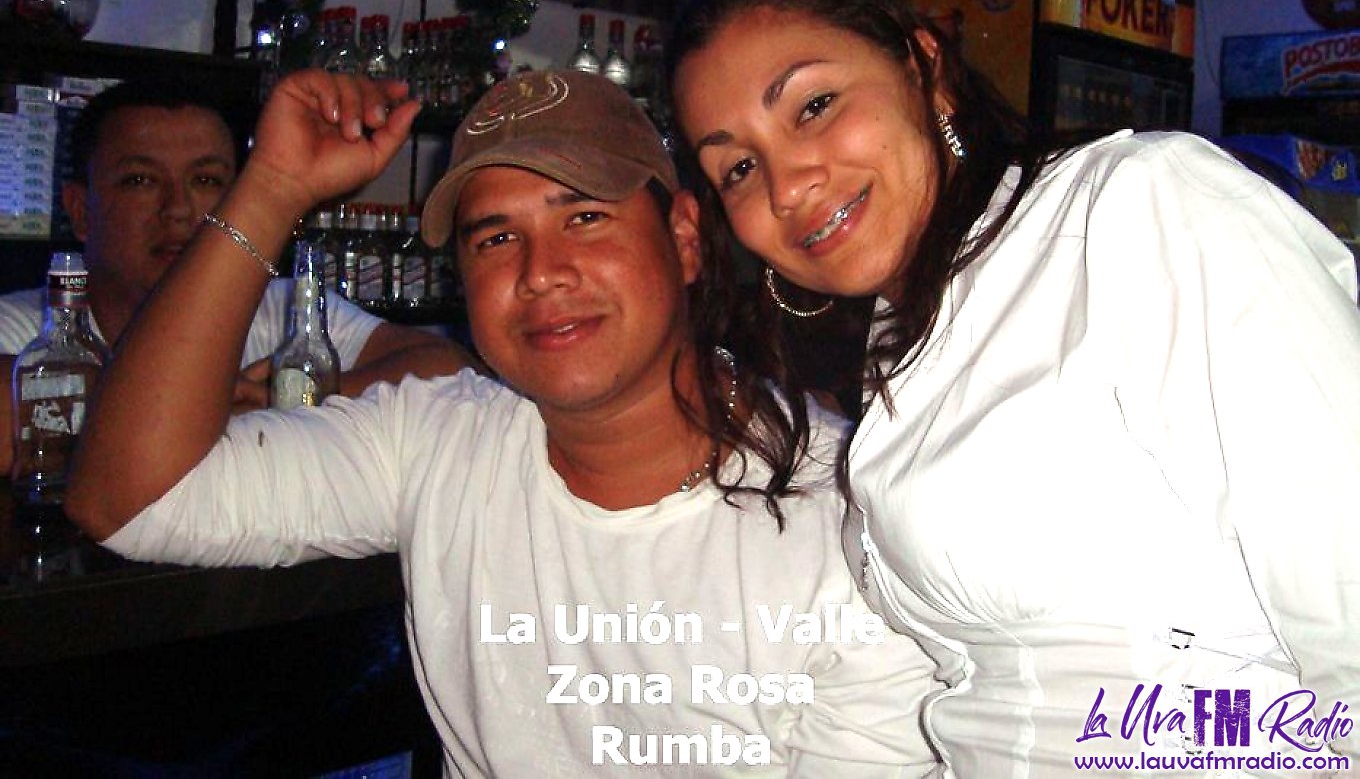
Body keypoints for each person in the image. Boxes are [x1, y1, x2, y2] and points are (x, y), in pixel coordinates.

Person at [66, 69, 942, 776]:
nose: (540, 272)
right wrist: (271, 190)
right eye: (494, 239)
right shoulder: (439, 438)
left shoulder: (858, 527)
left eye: (585, 217)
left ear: (682, 238)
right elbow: (127, 499)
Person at [665, 0, 1360, 776]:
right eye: (739, 169)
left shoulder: (1136, 205)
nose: (786, 187)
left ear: (924, 67)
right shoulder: (903, 341)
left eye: (814, 106)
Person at [0, 79, 470, 475]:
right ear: (80, 211)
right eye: (140, 181)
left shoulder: (281, 310)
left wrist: (292, 395)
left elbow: (449, 369)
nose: (178, 209)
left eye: (205, 181)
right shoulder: (26, 326)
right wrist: (206, 406)